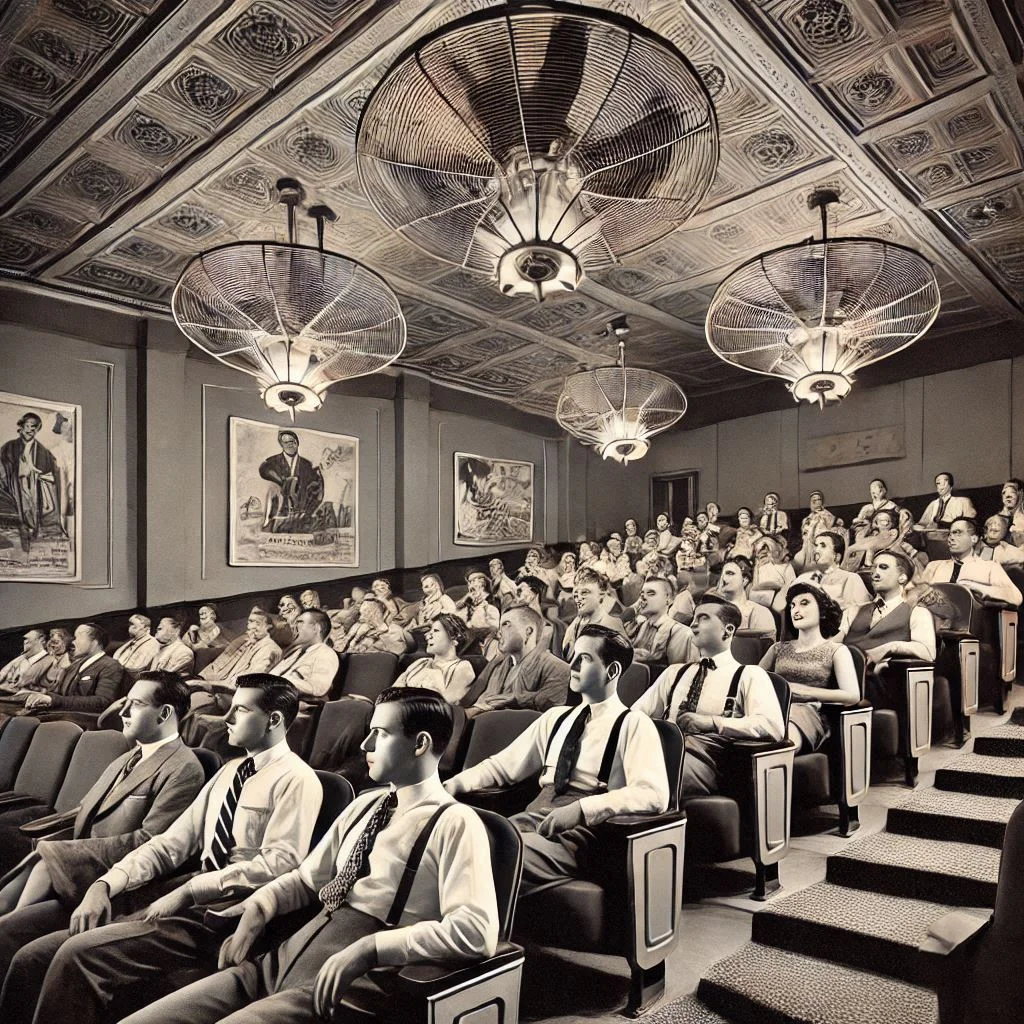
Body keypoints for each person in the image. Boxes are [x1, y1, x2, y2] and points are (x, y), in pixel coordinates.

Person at [117, 687, 500, 1024]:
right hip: (284, 957)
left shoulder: (456, 822)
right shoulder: (365, 804)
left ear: (419, 744)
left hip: (354, 981)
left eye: (380, 735)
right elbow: (307, 879)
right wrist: (261, 906)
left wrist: (370, 949)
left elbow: (476, 932)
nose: (364, 746)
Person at [0, 674, 323, 1024]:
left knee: (75, 953)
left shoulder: (298, 779)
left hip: (225, 911)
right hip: (182, 893)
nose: (227, 718)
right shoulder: (230, 771)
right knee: (34, 954)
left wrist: (190, 890)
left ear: (274, 720)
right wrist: (108, 883)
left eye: (240, 710)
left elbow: (280, 863)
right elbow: (171, 843)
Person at [0, 673, 205, 971]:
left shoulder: (185, 768)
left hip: (113, 885)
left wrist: (63, 855)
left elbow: (151, 844)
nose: (122, 712)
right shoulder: (126, 757)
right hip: (74, 868)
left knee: (7, 930)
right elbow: (85, 812)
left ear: (164, 713)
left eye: (134, 704)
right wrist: (56, 850)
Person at [446, 625, 669, 894]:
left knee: (487, 857)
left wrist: (581, 809)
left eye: (584, 658)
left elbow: (654, 794)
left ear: (612, 671)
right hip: (531, 818)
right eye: (573, 655)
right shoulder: (556, 718)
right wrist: (454, 785)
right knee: (453, 844)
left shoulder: (634, 724)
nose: (571, 664)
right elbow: (501, 767)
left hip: (580, 834)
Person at [633, 595, 785, 797]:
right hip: (661, 749)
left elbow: (772, 726)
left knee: (647, 774)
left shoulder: (749, 674)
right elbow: (635, 714)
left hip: (708, 760)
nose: (693, 624)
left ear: (728, 630)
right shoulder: (674, 672)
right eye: (694, 618)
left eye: (703, 618)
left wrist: (712, 723)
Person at [760, 584, 859, 753]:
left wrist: (804, 691)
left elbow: (852, 696)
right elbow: (753, 680)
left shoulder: (835, 650)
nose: (796, 610)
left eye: (804, 603)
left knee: (777, 746)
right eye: (792, 605)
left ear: (821, 611)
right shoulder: (777, 648)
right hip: (770, 708)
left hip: (807, 713)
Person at [836, 550, 936, 669]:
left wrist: (890, 648)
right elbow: (834, 645)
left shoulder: (917, 613)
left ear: (902, 578)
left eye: (883, 567)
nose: (875, 573)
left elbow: (928, 652)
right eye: (874, 567)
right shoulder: (854, 610)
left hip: (882, 681)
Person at [466, 605, 570, 717]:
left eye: (506, 624)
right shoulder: (500, 667)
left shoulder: (558, 667)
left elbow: (551, 706)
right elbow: (484, 703)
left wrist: (515, 698)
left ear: (528, 632)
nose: (498, 633)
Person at [22, 623, 126, 715]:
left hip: (82, 722)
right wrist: (42, 694)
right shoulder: (76, 665)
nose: (73, 641)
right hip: (61, 714)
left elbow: (102, 702)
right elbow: (61, 695)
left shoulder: (110, 666)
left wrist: (53, 700)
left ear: (94, 642)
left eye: (78, 637)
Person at [919, 517, 1022, 606]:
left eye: (957, 533)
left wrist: (975, 587)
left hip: (970, 621)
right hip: (930, 617)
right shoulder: (934, 566)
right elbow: (915, 594)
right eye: (949, 534)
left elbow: (1015, 597)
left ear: (973, 539)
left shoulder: (989, 567)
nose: (951, 538)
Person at [0, 411, 63, 552]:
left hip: (36, 487)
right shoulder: (9, 447)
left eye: (34, 427)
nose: (30, 429)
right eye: (27, 426)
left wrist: (40, 475)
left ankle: (32, 543)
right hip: (14, 486)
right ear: (21, 427)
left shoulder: (43, 451)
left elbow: (52, 470)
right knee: (18, 515)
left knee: (34, 515)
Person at [192, 608, 282, 691]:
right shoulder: (246, 641)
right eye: (250, 622)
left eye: (257, 623)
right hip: (217, 684)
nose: (251, 627)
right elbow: (219, 664)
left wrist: (204, 684)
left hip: (233, 693)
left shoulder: (269, 649)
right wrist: (200, 679)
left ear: (268, 627)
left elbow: (247, 683)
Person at [393, 615, 475, 705]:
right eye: (429, 632)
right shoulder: (420, 663)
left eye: (436, 631)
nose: (428, 636)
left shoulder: (463, 667)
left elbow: (446, 703)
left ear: (455, 638)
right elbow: (392, 693)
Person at [259, 429, 323, 533]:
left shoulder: (307, 464)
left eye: (292, 441)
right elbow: (263, 470)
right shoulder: (271, 461)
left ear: (297, 443)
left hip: (300, 515)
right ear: (281, 444)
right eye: (286, 442)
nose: (290, 444)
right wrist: (282, 481)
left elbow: (315, 488)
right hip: (279, 514)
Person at [626, 575, 698, 666]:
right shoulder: (638, 627)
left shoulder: (681, 633)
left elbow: (676, 673)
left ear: (668, 600)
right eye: (641, 594)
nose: (643, 598)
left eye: (651, 593)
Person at [791, 531, 871, 611]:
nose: (816, 550)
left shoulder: (851, 578)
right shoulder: (802, 578)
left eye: (823, 546)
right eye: (816, 546)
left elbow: (862, 613)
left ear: (837, 557)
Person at [562, 567, 626, 658]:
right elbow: (567, 656)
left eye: (585, 593)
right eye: (576, 593)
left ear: (601, 595)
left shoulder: (612, 624)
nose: (578, 598)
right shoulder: (576, 623)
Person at [712, 556, 777, 638]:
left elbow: (764, 646)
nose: (723, 578)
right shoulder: (712, 611)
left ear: (744, 580)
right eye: (721, 574)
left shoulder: (760, 612)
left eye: (729, 573)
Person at [335, 596, 408, 656]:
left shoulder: (393, 630)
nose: (361, 618)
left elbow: (399, 649)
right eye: (361, 614)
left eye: (365, 613)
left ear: (375, 613)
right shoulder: (361, 628)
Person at [455, 571, 501, 651]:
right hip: (468, 634)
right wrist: (466, 598)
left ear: (482, 583)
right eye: (469, 582)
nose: (470, 585)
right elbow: (457, 609)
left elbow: (494, 624)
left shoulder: (492, 600)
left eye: (473, 581)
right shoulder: (469, 599)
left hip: (484, 634)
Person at [750, 535, 796, 615]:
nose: (766, 554)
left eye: (768, 550)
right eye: (762, 552)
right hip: (760, 599)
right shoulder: (759, 567)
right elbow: (755, 586)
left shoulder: (786, 566)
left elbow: (792, 584)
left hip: (780, 597)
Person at [405, 573, 458, 639]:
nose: (429, 589)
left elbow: (453, 613)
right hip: (424, 631)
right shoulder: (425, 602)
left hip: (440, 632)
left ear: (437, 585)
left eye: (432, 585)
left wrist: (438, 616)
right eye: (425, 587)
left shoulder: (443, 598)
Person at [794, 490, 836, 572]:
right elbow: (804, 530)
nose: (816, 502)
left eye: (818, 499)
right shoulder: (807, 518)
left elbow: (831, 523)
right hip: (808, 541)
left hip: (821, 535)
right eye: (814, 500)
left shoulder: (826, 514)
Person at [997, 479, 1024, 545]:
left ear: (1020, 494)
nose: (1007, 496)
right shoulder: (998, 519)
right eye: (1004, 492)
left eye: (1012, 492)